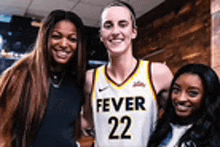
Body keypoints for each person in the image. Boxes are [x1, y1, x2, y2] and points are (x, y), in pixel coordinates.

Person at [81, 1, 173, 147]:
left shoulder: (157, 73)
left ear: (134, 32)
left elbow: (180, 118)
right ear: (101, 35)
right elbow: (86, 123)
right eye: (108, 25)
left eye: (123, 24)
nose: (116, 31)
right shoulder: (90, 79)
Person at [0, 9, 86, 147]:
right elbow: (2, 133)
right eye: (57, 36)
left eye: (72, 39)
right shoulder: (20, 75)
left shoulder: (76, 82)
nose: (64, 44)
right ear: (45, 37)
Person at [147, 64, 220, 147]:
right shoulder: (161, 130)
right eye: (176, 90)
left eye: (192, 93)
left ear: (208, 97)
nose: (181, 99)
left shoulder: (214, 135)